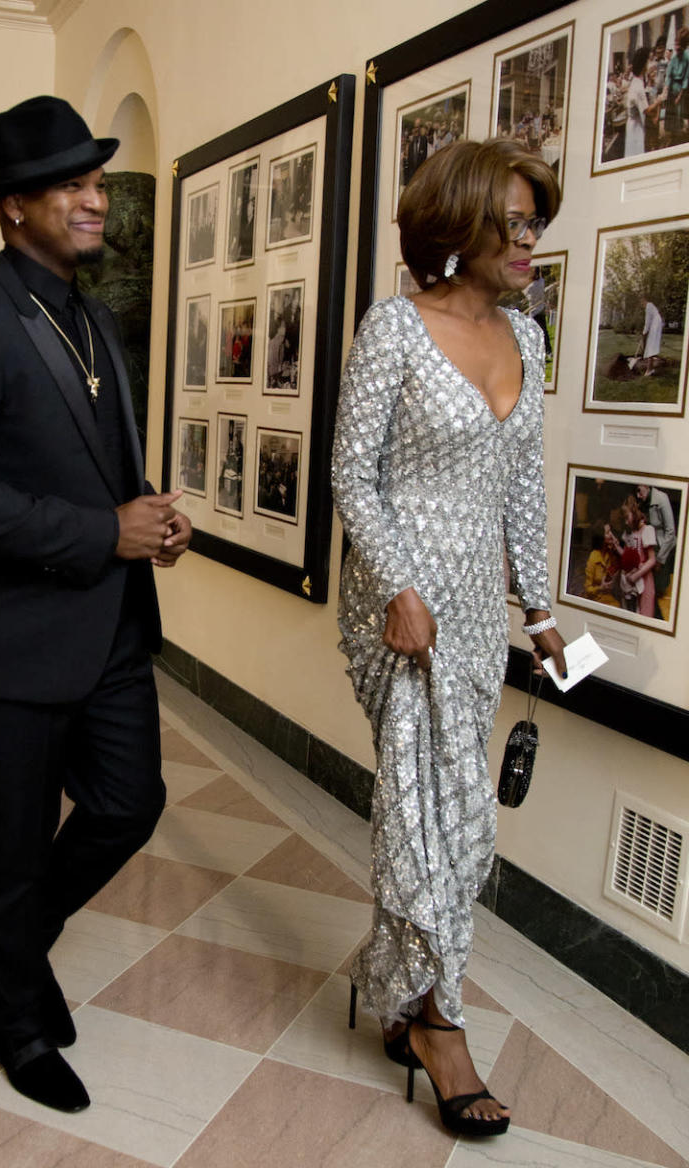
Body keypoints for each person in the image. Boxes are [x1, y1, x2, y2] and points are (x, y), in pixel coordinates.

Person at [0, 96, 192, 1114]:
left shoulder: (95, 315)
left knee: (128, 803)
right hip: (6, 642)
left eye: (97, 180)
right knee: (15, 842)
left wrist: (148, 515)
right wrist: (99, 532)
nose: (92, 198)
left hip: (110, 624)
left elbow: (94, 464)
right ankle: (16, 1015)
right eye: (69, 184)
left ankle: (19, 945)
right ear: (12, 206)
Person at [332, 137, 567, 1138]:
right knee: (446, 821)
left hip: (474, 617)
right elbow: (353, 476)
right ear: (460, 222)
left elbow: (521, 488)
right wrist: (397, 584)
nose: (528, 240)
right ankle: (443, 1025)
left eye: (535, 222)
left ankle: (392, 985)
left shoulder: (530, 340)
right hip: (400, 612)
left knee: (437, 816)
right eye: (512, 220)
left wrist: (545, 611)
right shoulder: (394, 328)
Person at [641, 296, 664, 374]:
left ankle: (649, 370)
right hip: (657, 324)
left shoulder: (648, 307)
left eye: (642, 302)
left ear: (644, 300)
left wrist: (644, 332)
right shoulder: (651, 305)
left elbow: (647, 322)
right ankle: (651, 368)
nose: (642, 304)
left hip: (656, 324)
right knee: (652, 345)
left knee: (651, 345)